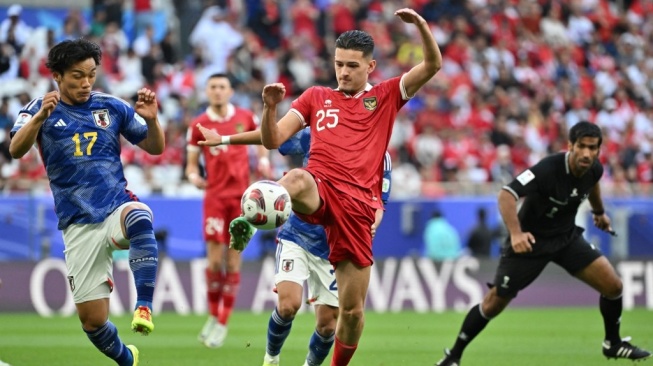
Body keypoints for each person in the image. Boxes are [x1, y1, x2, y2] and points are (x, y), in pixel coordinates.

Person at [198, 8, 441, 365]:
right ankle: (248, 221)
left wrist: (420, 26)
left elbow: (432, 66)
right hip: (319, 187)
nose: (343, 71)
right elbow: (273, 138)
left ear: (370, 67)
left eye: (352, 66)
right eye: (339, 63)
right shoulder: (316, 97)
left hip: (354, 208)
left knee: (351, 314)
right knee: (296, 178)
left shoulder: (386, 96)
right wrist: (269, 108)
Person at [435, 121, 651, 365]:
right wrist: (516, 234)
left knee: (613, 286)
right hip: (530, 242)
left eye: (593, 148)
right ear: (570, 146)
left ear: (599, 150)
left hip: (566, 238)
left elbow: (593, 185)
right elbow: (507, 194)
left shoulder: (594, 169)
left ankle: (612, 343)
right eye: (582, 146)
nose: (587, 153)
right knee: (495, 302)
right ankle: (453, 356)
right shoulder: (547, 169)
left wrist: (599, 212)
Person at [9, 38, 164, 366]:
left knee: (139, 217)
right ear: (57, 76)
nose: (86, 83)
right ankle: (127, 360)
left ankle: (144, 305)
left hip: (114, 206)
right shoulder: (35, 110)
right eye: (77, 75)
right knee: (93, 322)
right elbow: (15, 149)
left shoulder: (112, 106)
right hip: (77, 224)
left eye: (91, 74)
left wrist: (151, 120)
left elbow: (155, 147)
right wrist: (39, 119)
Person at [186, 73, 270, 348]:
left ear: (231, 90)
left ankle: (222, 322)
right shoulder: (198, 124)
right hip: (214, 197)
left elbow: (262, 145)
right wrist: (193, 178)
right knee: (213, 262)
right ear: (207, 91)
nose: (218, 91)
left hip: (241, 201)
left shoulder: (246, 116)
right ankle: (212, 315)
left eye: (222, 87)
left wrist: (265, 163)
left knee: (233, 262)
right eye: (213, 87)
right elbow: (190, 165)